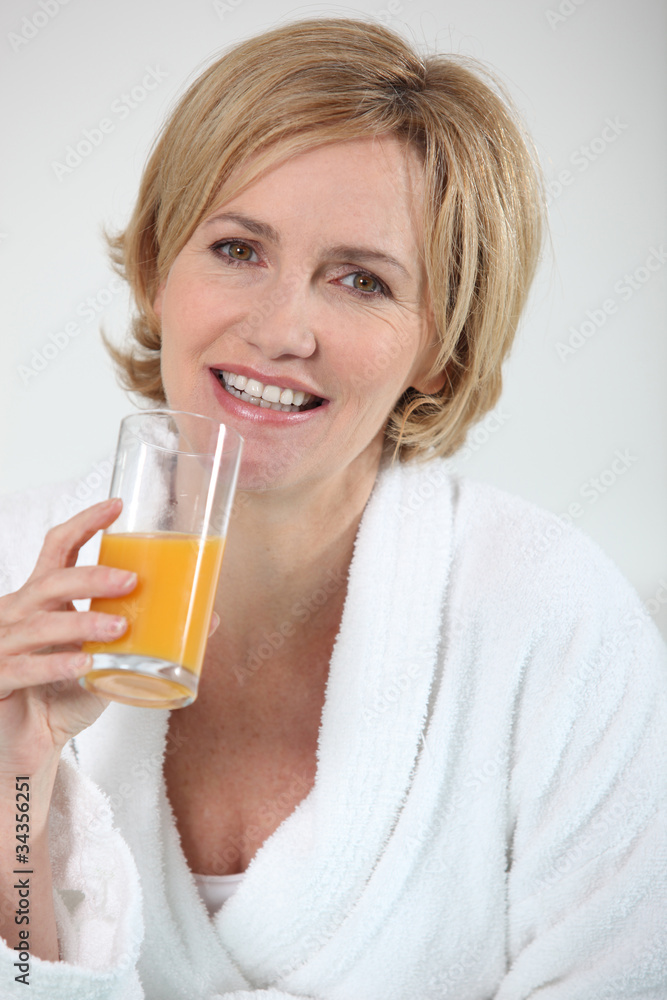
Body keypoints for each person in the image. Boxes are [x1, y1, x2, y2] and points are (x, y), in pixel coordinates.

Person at [0, 16, 666, 1000]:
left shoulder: (555, 620)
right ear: (154, 270)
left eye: (360, 280)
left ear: (441, 345)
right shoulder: (14, 573)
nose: (282, 329)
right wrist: (18, 777)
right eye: (236, 248)